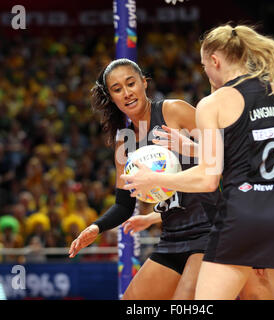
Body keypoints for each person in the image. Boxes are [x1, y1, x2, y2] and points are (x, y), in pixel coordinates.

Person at [121, 24, 274, 300]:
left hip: (243, 218)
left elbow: (209, 178)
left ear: (215, 61)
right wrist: (194, 149)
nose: (205, 71)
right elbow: (266, 162)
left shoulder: (214, 103)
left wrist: (155, 179)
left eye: (204, 64)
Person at [68, 58, 220, 300]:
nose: (127, 93)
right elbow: (124, 205)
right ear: (111, 96)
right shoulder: (124, 139)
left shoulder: (173, 111)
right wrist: (96, 228)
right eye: (117, 89)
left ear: (144, 83)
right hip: (172, 235)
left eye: (131, 84)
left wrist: (191, 146)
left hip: (211, 230)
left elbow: (226, 150)